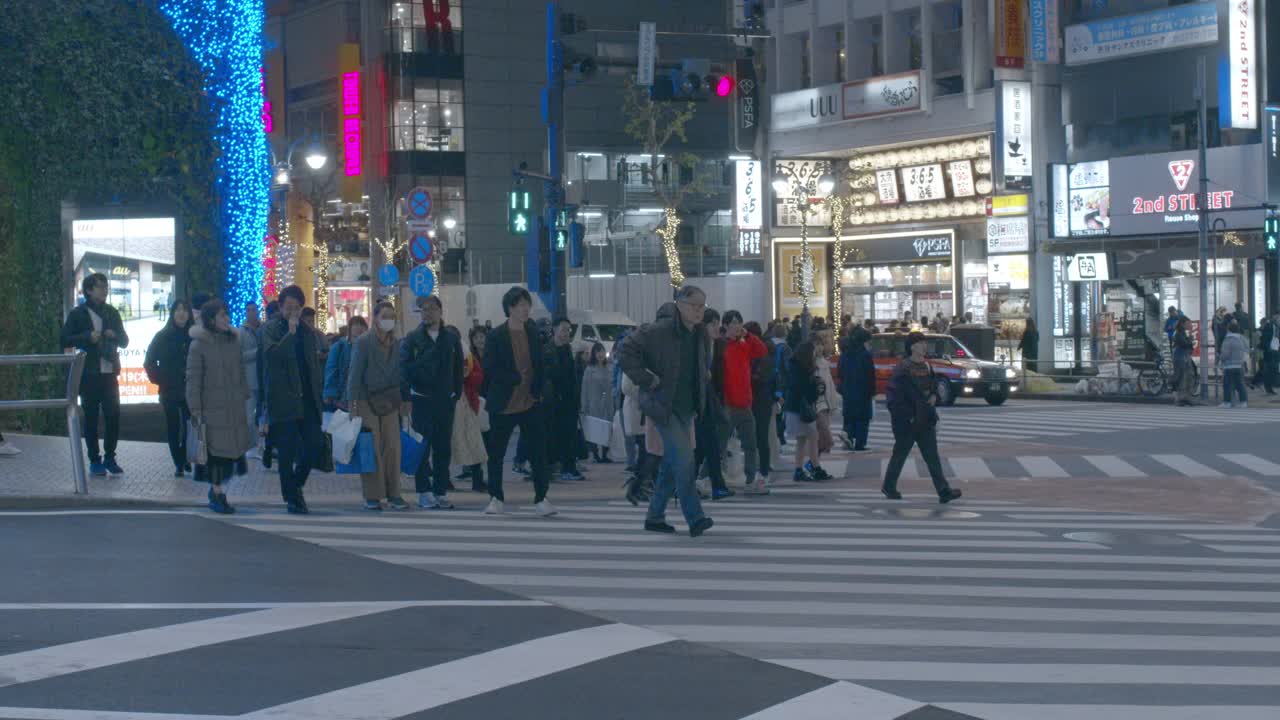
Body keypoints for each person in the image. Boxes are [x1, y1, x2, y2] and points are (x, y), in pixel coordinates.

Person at [618, 285, 714, 537]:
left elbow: (700, 367)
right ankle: (695, 517)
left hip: (687, 407)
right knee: (684, 460)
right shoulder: (658, 331)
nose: (698, 311)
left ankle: (655, 515)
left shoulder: (701, 334)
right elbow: (624, 351)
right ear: (679, 305)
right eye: (694, 305)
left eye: (702, 306)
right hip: (663, 405)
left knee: (672, 464)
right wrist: (646, 379)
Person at [482, 287, 556, 517]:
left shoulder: (533, 332)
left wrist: (539, 390)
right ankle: (496, 497)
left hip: (530, 401)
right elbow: (490, 367)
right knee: (496, 453)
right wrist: (513, 378)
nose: (526, 309)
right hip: (503, 402)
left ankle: (541, 498)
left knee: (538, 452)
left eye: (527, 305)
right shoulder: (496, 336)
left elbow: (540, 365)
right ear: (510, 308)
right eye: (521, 305)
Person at [261, 285, 326, 514]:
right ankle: (292, 498)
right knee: (286, 453)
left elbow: (313, 365)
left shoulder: (307, 332)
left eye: (297, 308)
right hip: (283, 399)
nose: (293, 312)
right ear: (280, 307)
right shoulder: (270, 329)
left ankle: (295, 485)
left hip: (307, 398)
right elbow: (273, 357)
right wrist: (289, 333)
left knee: (314, 444)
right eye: (289, 308)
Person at [185, 299, 255, 514]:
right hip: (211, 409)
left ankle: (218, 491)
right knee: (216, 455)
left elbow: (241, 370)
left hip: (233, 407)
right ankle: (217, 494)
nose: (227, 319)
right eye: (222, 315)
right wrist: (195, 409)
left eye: (227, 314)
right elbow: (193, 379)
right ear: (211, 319)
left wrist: (244, 392)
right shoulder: (199, 345)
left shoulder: (233, 341)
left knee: (231, 454)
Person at [60, 273, 129, 477]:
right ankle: (95, 459)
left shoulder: (111, 313)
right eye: (100, 287)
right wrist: (86, 337)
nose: (104, 290)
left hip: (109, 373)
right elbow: (64, 338)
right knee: (90, 418)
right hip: (88, 374)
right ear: (89, 290)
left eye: (106, 286)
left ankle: (110, 457)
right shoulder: (78, 314)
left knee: (113, 415)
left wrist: (114, 334)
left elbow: (125, 341)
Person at [882, 332, 963, 503]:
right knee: (900, 454)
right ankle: (889, 486)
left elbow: (932, 386)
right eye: (921, 343)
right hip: (909, 420)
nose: (925, 346)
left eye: (925, 343)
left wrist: (934, 395)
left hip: (925, 418)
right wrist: (907, 416)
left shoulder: (927, 366)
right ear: (912, 347)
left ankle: (943, 490)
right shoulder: (903, 368)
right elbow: (894, 397)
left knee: (931, 455)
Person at [401, 295, 464, 510]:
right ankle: (423, 491)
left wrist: (456, 393)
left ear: (440, 311)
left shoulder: (451, 338)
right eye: (423, 310)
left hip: (445, 401)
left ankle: (440, 491)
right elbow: (404, 368)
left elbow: (458, 369)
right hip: (421, 400)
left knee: (443, 448)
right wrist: (407, 396)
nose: (427, 313)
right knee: (422, 447)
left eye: (432, 309)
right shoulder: (413, 338)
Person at [348, 301, 410, 511]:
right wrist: (352, 403)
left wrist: (404, 399)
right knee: (371, 447)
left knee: (393, 446)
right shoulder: (364, 342)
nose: (388, 320)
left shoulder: (397, 343)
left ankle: (394, 493)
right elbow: (354, 373)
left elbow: (402, 373)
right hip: (366, 399)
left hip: (390, 400)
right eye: (384, 316)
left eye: (392, 316)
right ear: (375, 318)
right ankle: (372, 495)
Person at [721, 311, 768, 496]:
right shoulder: (721, 345)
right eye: (733, 322)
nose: (737, 326)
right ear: (725, 325)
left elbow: (761, 351)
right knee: (719, 444)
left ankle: (750, 478)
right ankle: (704, 477)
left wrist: (748, 335)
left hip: (744, 402)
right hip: (727, 403)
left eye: (739, 322)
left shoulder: (744, 344)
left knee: (750, 443)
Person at [144, 300, 193, 476]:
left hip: (191, 389)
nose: (182, 314)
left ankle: (187, 456)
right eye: (178, 310)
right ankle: (178, 462)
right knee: (174, 426)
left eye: (185, 310)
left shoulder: (194, 336)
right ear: (172, 313)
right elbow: (149, 361)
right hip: (169, 389)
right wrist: (160, 379)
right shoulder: (162, 336)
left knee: (191, 425)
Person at [695, 308, 729, 499]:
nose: (717, 327)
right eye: (713, 324)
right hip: (702, 401)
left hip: (711, 399)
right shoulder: (699, 345)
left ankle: (715, 484)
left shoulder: (716, 345)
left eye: (717, 324)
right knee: (707, 444)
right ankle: (716, 484)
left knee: (706, 445)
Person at [545, 317, 584, 481]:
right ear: (554, 329)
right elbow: (551, 376)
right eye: (563, 329)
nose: (566, 333)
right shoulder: (547, 350)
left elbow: (572, 377)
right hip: (554, 402)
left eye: (568, 330)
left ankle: (568, 467)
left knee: (570, 435)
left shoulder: (568, 349)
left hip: (569, 401)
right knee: (555, 435)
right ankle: (560, 467)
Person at [454, 325, 489, 493]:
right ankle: (443, 479)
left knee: (475, 441)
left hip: (467, 403)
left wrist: (467, 375)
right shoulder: (438, 354)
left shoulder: (467, 355)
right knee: (447, 444)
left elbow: (479, 376)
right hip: (448, 405)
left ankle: (477, 478)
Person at [784, 340, 822, 483]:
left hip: (795, 408)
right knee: (812, 436)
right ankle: (813, 467)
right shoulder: (804, 370)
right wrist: (815, 386)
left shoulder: (794, 367)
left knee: (804, 439)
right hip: (801, 409)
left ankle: (800, 469)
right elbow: (806, 390)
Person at [745, 321, 776, 488]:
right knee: (757, 436)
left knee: (760, 436)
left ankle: (763, 470)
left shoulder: (763, 351)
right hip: (758, 398)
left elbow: (764, 377)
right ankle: (760, 469)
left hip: (760, 398)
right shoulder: (764, 350)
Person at [839, 327, 875, 452]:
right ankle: (860, 443)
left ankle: (848, 435)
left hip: (848, 389)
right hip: (863, 391)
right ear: (863, 341)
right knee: (863, 418)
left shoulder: (845, 354)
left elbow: (840, 372)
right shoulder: (865, 355)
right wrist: (872, 391)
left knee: (849, 415)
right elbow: (870, 375)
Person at [580, 341, 615, 464]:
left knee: (607, 429)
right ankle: (595, 454)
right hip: (594, 403)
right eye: (597, 352)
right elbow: (584, 389)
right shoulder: (589, 370)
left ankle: (605, 453)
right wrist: (584, 405)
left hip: (608, 403)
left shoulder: (609, 368)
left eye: (601, 351)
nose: (600, 354)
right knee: (595, 429)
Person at [323, 317, 367, 411]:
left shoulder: (369, 347)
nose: (359, 327)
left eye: (361, 325)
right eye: (355, 324)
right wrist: (329, 393)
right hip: (343, 397)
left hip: (365, 398)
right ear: (349, 328)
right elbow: (331, 370)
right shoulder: (339, 347)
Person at [811, 331, 838, 480]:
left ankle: (814, 464)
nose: (820, 347)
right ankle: (813, 464)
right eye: (817, 344)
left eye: (821, 344)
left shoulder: (824, 362)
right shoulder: (812, 363)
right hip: (817, 404)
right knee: (825, 438)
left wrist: (833, 403)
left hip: (826, 403)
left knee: (821, 438)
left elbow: (830, 386)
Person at [240, 303, 262, 461]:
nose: (251, 313)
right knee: (249, 415)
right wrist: (257, 352)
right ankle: (251, 445)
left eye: (254, 310)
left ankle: (261, 445)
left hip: (264, 378)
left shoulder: (264, 329)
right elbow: (238, 356)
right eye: (248, 310)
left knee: (263, 415)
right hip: (249, 379)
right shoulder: (241, 332)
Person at [1219, 320, 1248, 409]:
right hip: (1240, 364)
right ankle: (1243, 402)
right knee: (1240, 384)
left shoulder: (1228, 339)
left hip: (1229, 365)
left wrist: (1221, 359)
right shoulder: (1242, 338)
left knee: (1227, 384)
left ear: (1229, 330)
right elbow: (1247, 349)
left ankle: (1227, 402)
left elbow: (1225, 354)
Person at [1172, 316, 1197, 406]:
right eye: (1187, 323)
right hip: (1180, 357)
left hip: (1184, 357)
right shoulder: (1178, 333)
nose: (1189, 325)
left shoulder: (1182, 332)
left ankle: (1185, 397)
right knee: (1182, 377)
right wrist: (1190, 341)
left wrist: (1189, 340)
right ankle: (1181, 398)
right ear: (1182, 324)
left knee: (1188, 376)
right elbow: (1184, 344)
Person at [1258, 312, 1280, 395]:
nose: (1278, 318)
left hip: (1275, 349)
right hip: (1270, 351)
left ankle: (1269, 387)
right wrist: (1267, 349)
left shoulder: (1276, 326)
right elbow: (1265, 339)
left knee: (1273, 370)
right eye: (1278, 316)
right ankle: (1268, 387)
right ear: (1274, 316)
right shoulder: (1270, 325)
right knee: (1269, 370)